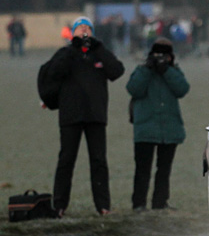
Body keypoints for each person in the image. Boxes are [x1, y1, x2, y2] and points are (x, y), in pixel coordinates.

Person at [40, 16, 125, 216]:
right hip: (70, 116)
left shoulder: (99, 54)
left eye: (88, 28)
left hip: (95, 115)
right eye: (80, 28)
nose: (84, 31)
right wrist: (73, 48)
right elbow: (53, 73)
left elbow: (117, 71)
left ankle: (103, 206)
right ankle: (59, 206)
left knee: (99, 162)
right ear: (73, 32)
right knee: (66, 160)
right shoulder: (65, 53)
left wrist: (98, 48)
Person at [126, 38, 190, 211]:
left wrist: (166, 70)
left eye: (164, 56)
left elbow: (182, 89)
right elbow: (133, 89)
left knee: (164, 170)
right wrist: (148, 68)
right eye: (157, 55)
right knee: (142, 169)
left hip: (169, 129)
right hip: (146, 129)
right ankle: (139, 203)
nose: (160, 59)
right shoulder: (142, 70)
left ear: (170, 57)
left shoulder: (173, 71)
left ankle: (160, 203)